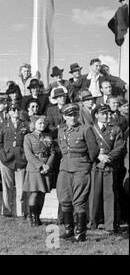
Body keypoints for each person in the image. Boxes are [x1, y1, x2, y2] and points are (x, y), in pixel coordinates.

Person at [57, 103, 99, 242]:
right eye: (69, 115)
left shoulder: (85, 129)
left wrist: (86, 164)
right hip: (65, 168)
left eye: (75, 114)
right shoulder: (61, 130)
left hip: (81, 168)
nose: (72, 118)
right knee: (64, 199)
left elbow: (93, 151)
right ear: (64, 116)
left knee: (79, 201)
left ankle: (80, 233)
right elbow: (62, 148)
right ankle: (69, 230)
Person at [89, 104, 125, 234]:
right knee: (94, 194)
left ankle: (110, 224)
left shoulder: (115, 129)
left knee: (109, 195)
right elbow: (90, 147)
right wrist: (99, 157)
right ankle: (93, 222)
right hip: (96, 165)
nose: (106, 116)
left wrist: (108, 157)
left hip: (109, 165)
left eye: (108, 113)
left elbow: (119, 147)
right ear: (96, 115)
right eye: (103, 113)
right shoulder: (91, 129)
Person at [0, 104, 29, 218]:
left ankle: (22, 213)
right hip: (6, 159)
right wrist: (2, 154)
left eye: (17, 109)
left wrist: (24, 154)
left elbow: (28, 140)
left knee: (22, 189)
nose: (15, 111)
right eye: (13, 109)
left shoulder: (25, 124)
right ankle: (7, 212)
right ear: (8, 112)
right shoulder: (4, 125)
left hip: (21, 159)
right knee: (7, 187)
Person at [23, 116, 55, 227]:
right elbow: (29, 155)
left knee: (42, 193)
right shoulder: (28, 137)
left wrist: (48, 165)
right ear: (34, 124)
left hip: (46, 168)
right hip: (34, 168)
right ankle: (33, 218)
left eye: (44, 123)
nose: (42, 125)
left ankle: (38, 215)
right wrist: (41, 165)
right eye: (39, 123)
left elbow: (52, 153)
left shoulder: (48, 137)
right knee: (35, 193)